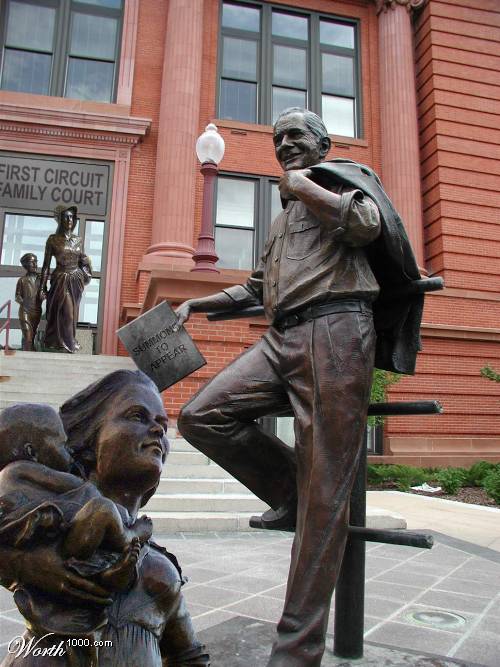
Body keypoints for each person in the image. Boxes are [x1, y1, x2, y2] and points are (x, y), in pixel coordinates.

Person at [175, 108, 423, 666]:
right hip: (282, 336)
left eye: (296, 136)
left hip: (337, 331)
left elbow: (366, 225)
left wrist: (305, 187)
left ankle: (296, 649)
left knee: (326, 487)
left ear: (322, 144)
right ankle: (294, 494)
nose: (284, 144)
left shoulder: (342, 181)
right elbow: (257, 288)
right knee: (201, 416)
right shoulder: (284, 219)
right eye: (277, 138)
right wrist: (197, 303)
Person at [0, 371, 209, 667]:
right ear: (89, 441)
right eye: (137, 416)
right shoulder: (49, 529)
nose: (157, 430)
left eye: (163, 424)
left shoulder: (160, 573)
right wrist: (19, 564)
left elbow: (188, 657)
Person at [40, 205, 92, 353]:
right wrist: (42, 287)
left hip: (76, 280)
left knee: (72, 313)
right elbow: (45, 266)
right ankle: (69, 344)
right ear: (60, 220)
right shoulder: (53, 240)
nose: (70, 220)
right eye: (66, 217)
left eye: (72, 217)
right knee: (67, 313)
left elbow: (82, 260)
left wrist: (87, 265)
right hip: (61, 279)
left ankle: (64, 341)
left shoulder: (78, 240)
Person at [15, 253, 44, 351]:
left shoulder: (41, 280)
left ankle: (29, 351)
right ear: (26, 265)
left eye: (36, 262)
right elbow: (17, 296)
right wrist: (22, 301)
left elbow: (45, 292)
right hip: (25, 311)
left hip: (36, 311)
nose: (35, 264)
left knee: (32, 335)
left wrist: (44, 295)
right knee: (28, 334)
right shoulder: (22, 280)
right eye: (32, 262)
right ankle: (28, 351)